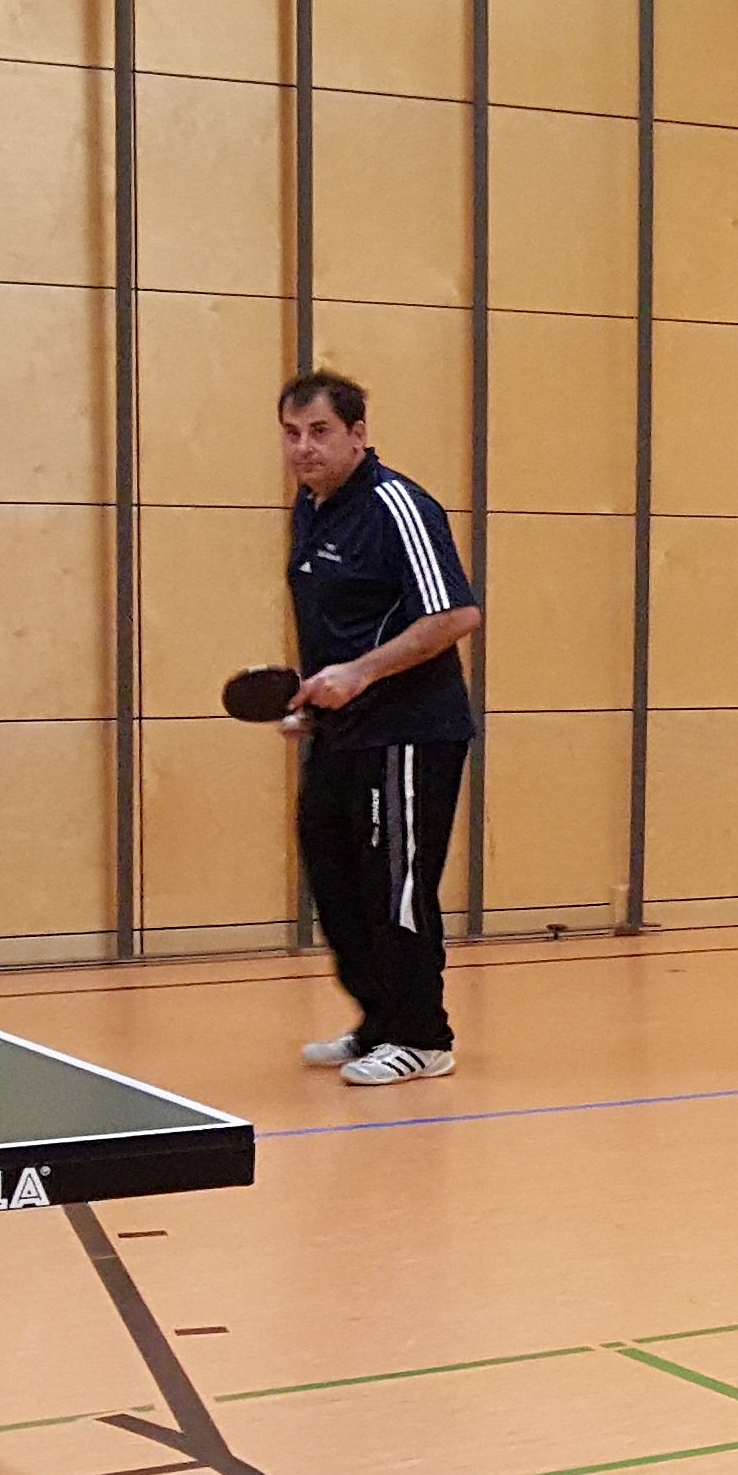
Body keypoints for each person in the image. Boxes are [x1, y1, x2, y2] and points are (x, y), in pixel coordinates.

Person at [274, 370, 483, 1087]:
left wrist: (360, 674)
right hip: (343, 732)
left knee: (395, 886)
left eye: (320, 432)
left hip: (409, 732)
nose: (304, 448)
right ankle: (380, 1021)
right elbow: (343, 624)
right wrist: (315, 701)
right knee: (334, 878)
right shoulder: (312, 509)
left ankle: (422, 1037)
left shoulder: (398, 505)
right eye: (292, 434)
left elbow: (455, 615)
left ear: (358, 434)